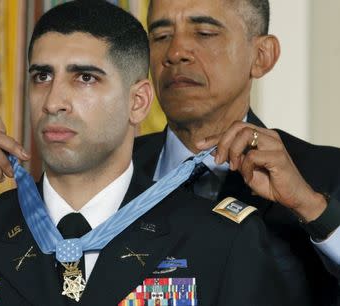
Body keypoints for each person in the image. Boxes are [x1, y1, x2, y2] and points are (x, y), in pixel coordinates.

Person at [0, 1, 293, 306]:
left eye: (85, 78)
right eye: (42, 76)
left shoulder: (218, 238)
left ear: (137, 102)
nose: (54, 101)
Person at [133, 0, 340, 305]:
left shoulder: (324, 175)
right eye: (161, 36)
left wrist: (312, 209)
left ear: (261, 56)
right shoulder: (104, 171)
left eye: (204, 33)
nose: (175, 53)